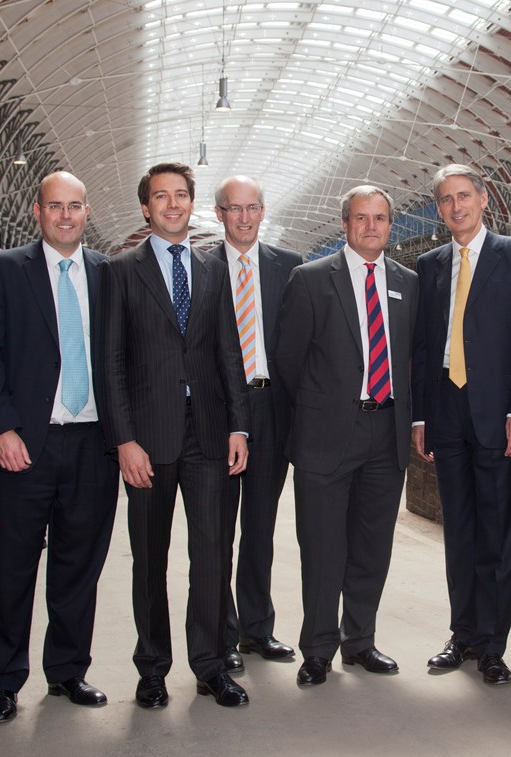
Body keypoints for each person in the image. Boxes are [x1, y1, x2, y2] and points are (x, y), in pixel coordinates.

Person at [98, 162, 251, 708]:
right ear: (146, 207)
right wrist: (124, 439)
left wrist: (239, 425)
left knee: (212, 555)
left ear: (192, 204)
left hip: (209, 436)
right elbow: (111, 362)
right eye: (160, 196)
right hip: (148, 442)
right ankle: (153, 670)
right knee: (150, 559)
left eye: (180, 195)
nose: (171, 204)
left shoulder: (213, 269)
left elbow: (228, 353)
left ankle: (210, 666)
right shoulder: (120, 272)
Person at [0, 171, 120, 724]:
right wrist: (2, 428)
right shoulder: (5, 270)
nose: (65, 216)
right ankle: (4, 680)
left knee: (78, 565)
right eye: (55, 206)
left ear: (86, 213)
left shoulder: (110, 274)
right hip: (25, 446)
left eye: (75, 206)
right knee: (14, 567)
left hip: (94, 445)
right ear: (37, 212)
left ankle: (67, 670)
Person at [276, 185, 418, 687]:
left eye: (380, 217)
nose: (372, 226)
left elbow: (409, 360)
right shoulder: (311, 279)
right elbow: (289, 362)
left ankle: (361, 642)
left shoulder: (407, 282)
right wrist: (323, 408)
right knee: (322, 547)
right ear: (345, 223)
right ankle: (317, 648)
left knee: (371, 545)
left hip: (387, 429)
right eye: (362, 217)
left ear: (390, 224)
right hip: (326, 434)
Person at [411, 164, 511, 684]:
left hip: (496, 415)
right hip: (446, 410)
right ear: (440, 208)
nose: (456, 206)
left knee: (497, 534)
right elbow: (423, 347)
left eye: (464, 196)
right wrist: (421, 414)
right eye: (446, 199)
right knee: (459, 531)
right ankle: (461, 634)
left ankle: (492, 644)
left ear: (484, 199)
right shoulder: (430, 263)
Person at [210, 176, 303, 670]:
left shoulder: (289, 267)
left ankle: (256, 629)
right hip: (222, 412)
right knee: (218, 529)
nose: (243, 217)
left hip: (273, 408)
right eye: (234, 209)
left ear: (263, 212)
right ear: (219, 214)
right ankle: (222, 634)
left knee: (260, 527)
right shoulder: (202, 267)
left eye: (252, 208)